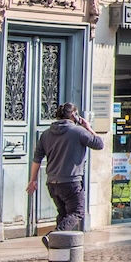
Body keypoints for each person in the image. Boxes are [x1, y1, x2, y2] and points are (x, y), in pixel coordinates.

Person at [27, 103, 102, 245]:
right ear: (74, 115)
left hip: (52, 182)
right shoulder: (78, 132)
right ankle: (53, 237)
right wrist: (88, 127)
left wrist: (33, 180)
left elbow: (37, 159)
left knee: (63, 214)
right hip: (71, 181)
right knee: (77, 212)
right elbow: (99, 144)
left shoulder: (46, 134)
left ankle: (58, 250)